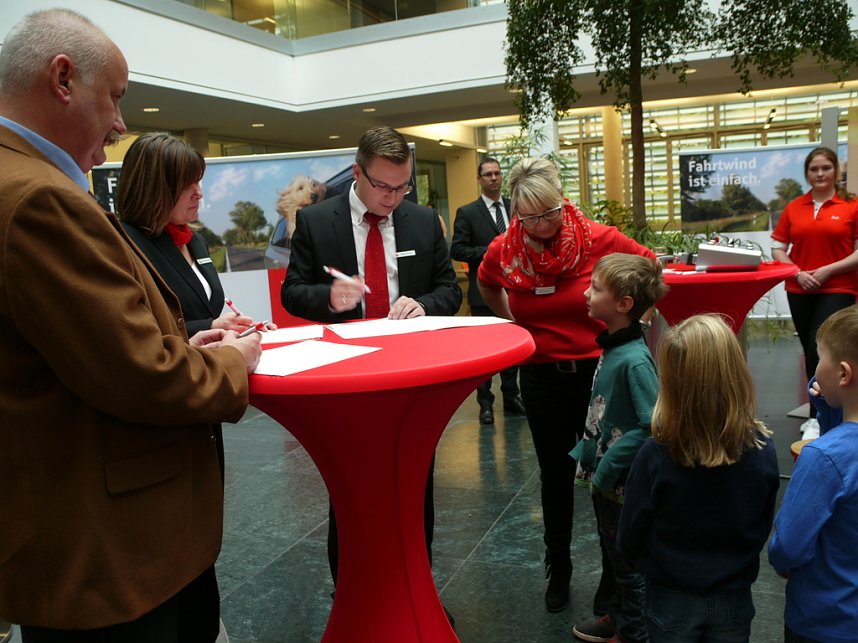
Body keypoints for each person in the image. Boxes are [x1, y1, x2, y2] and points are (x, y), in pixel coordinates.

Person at [0, 9, 262, 643]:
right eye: (115, 98)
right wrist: (237, 360)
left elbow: (92, 348)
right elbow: (140, 375)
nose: (120, 124)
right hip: (109, 551)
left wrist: (181, 344)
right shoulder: (42, 198)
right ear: (62, 78)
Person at [280, 126, 461, 609]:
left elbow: (450, 291)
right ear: (358, 173)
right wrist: (331, 297)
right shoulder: (318, 222)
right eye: (383, 187)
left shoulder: (423, 222)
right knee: (352, 484)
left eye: (402, 187)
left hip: (413, 378)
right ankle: (353, 591)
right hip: (348, 378)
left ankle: (417, 587)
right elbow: (292, 291)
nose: (392, 198)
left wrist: (423, 304)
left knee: (414, 479)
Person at [477, 157, 655, 613]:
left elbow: (650, 267)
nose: (542, 225)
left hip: (599, 376)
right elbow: (486, 281)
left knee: (605, 475)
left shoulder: (598, 239)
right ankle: (559, 568)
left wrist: (631, 326)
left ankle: (612, 575)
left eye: (550, 213)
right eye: (530, 216)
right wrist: (513, 321)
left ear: (563, 201)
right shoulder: (506, 248)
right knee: (554, 476)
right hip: (540, 376)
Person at [617, 314, 779, 643]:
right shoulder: (762, 447)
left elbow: (630, 530)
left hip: (670, 593)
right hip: (734, 593)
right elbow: (763, 519)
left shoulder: (656, 453)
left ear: (673, 385)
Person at [570, 253, 667, 643]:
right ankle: (618, 614)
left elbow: (650, 425)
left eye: (595, 288)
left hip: (622, 486)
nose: (586, 293)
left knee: (628, 565)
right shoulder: (614, 348)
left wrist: (608, 464)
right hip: (606, 482)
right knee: (613, 556)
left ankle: (633, 632)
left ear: (624, 304)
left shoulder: (634, 361)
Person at [769, 305, 858, 643]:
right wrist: (829, 410)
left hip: (826, 621)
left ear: (844, 374)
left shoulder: (823, 458)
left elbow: (788, 549)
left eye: (819, 358)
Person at [771, 146, 858, 438]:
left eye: (826, 168)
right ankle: (817, 415)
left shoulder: (852, 206)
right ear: (807, 173)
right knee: (810, 351)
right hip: (800, 287)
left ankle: (831, 416)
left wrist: (828, 270)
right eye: (814, 169)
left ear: (836, 171)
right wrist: (796, 272)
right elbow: (777, 247)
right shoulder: (794, 207)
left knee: (826, 348)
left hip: (838, 286)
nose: (820, 174)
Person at [451, 157, 525, 425]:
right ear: (479, 180)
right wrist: (492, 251)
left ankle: (511, 396)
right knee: (486, 351)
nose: (494, 178)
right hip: (483, 291)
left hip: (515, 289)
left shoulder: (514, 206)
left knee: (510, 348)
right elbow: (457, 249)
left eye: (497, 173)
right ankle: (485, 404)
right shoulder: (467, 212)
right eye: (488, 174)